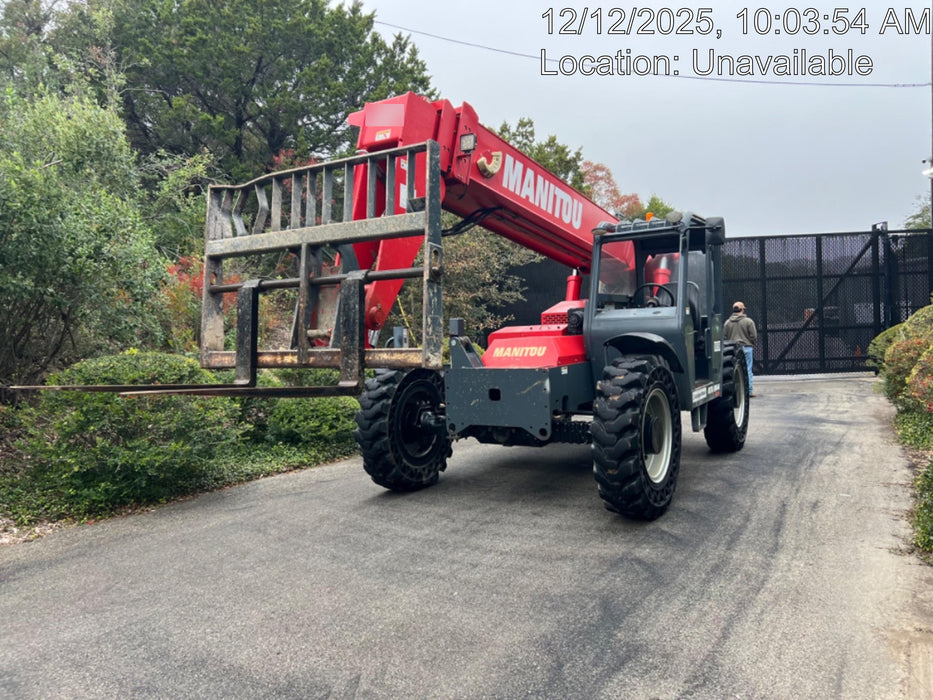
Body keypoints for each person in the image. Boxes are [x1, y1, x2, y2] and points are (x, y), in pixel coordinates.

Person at [724, 301, 758, 397]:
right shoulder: (748, 321)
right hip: (746, 347)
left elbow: (725, 337)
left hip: (733, 349)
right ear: (742, 310)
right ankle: (749, 391)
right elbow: (754, 335)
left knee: (735, 370)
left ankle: (736, 392)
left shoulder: (727, 323)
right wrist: (751, 342)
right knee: (748, 369)